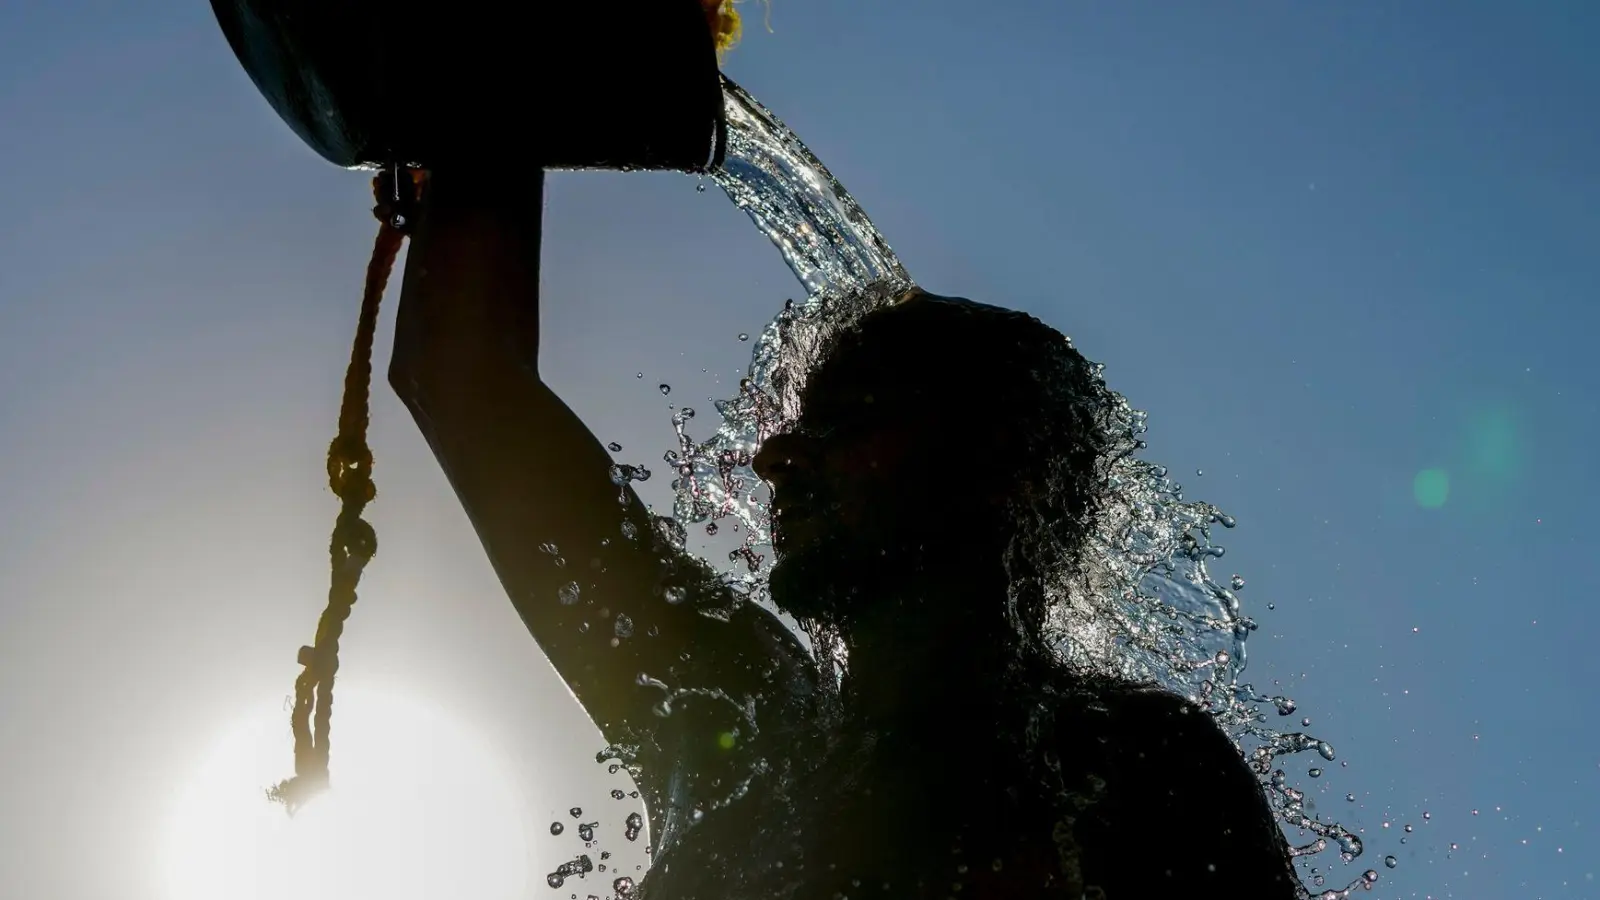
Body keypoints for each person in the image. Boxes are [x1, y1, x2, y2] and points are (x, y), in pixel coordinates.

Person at [388, 168, 1300, 899]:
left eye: (852, 419)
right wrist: (487, 109)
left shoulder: (1124, 761)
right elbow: (464, 381)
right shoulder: (733, 711)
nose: (780, 459)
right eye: (794, 426)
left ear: (1007, 472)